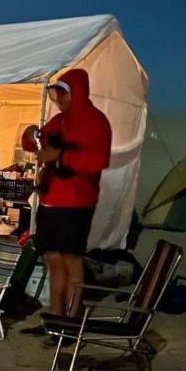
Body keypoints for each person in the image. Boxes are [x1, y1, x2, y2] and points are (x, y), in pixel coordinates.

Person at [34, 68, 112, 316]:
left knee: (71, 260)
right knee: (54, 260)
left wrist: (61, 155)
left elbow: (98, 160)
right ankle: (56, 316)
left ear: (76, 92)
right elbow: (39, 141)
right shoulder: (59, 121)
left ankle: (72, 318)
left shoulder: (96, 121)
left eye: (63, 93)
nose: (59, 99)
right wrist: (31, 137)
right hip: (50, 201)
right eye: (56, 94)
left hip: (76, 203)